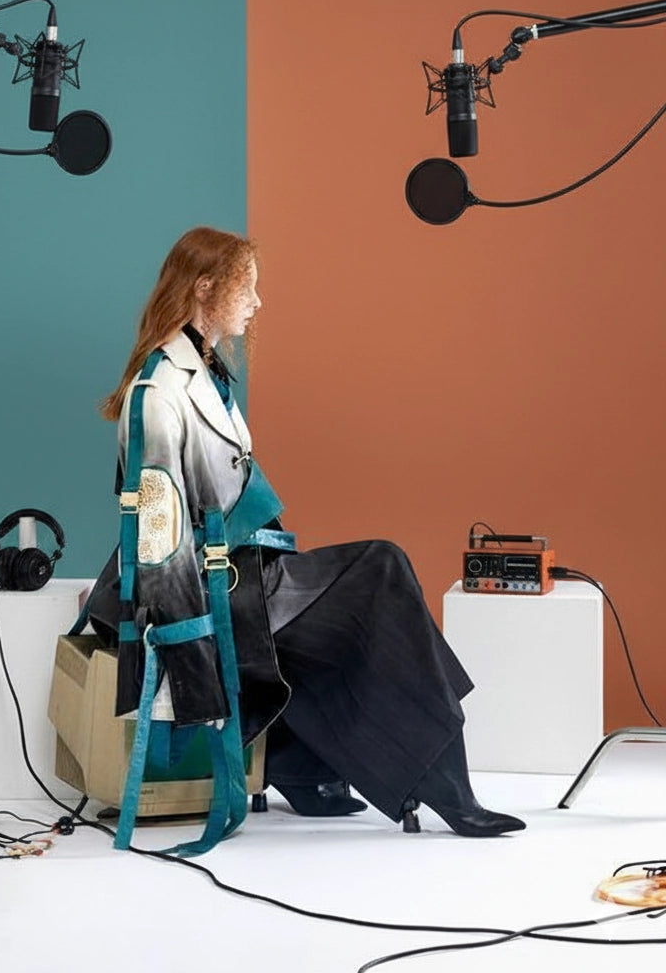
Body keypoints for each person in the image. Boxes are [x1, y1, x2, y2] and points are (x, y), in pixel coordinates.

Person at [88, 225, 525, 838]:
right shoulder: (158, 392)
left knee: (368, 591)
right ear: (204, 288)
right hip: (219, 595)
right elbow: (156, 539)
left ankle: (304, 768)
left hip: (247, 571)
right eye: (246, 288)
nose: (257, 302)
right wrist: (192, 657)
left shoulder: (205, 371)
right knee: (382, 569)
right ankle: (447, 787)